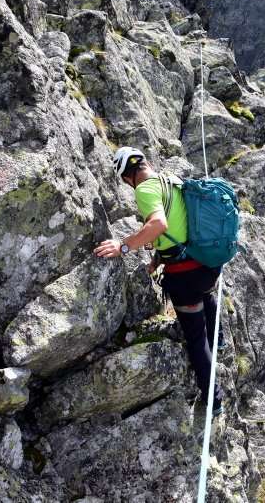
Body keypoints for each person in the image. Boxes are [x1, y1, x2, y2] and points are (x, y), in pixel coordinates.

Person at [93, 147, 223, 415]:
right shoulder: (171, 179)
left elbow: (159, 225)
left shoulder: (144, 189)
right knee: (206, 293)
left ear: (127, 178)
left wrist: (123, 246)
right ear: (145, 162)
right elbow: (180, 225)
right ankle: (218, 339)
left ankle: (214, 401)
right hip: (207, 262)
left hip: (185, 276)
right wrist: (159, 256)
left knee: (196, 339)